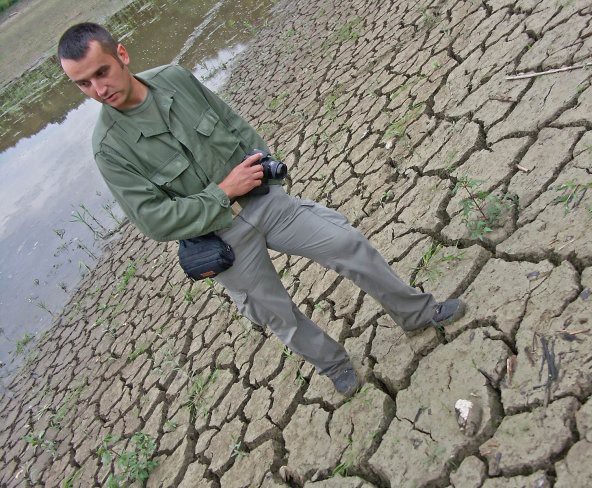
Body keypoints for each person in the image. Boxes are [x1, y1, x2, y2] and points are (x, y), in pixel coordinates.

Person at [57, 23, 465, 397]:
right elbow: (154, 219)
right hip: (222, 240)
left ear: (122, 55)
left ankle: (417, 312)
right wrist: (222, 193)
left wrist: (262, 164)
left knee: (346, 243)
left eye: (102, 72)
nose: (98, 89)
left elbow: (230, 123)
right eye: (83, 84)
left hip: (265, 202)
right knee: (278, 314)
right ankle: (335, 364)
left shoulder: (175, 79)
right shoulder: (109, 147)